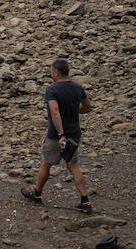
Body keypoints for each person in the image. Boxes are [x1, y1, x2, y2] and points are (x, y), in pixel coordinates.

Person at [22, 58, 93, 213]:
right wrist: (75, 112)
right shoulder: (77, 87)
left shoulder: (52, 90)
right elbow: (88, 106)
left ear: (55, 73)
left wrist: (61, 134)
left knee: (46, 162)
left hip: (56, 135)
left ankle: (37, 194)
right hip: (74, 132)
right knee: (73, 165)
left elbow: (55, 112)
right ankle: (85, 200)